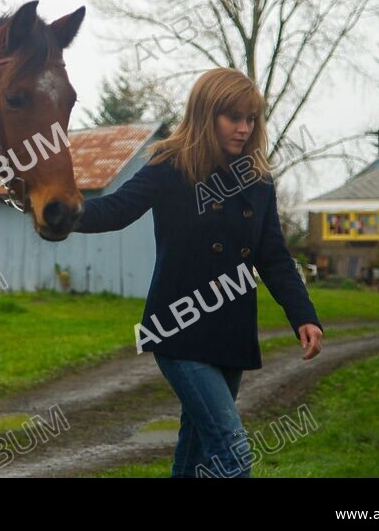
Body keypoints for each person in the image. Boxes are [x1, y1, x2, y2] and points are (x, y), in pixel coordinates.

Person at [73, 67, 324, 477]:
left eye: (251, 119)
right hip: (180, 328)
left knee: (194, 458)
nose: (244, 129)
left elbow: (274, 256)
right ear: (207, 115)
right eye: (233, 118)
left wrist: (304, 316)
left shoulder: (257, 181)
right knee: (232, 451)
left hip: (231, 332)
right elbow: (116, 210)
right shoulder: (171, 167)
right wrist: (59, 209)